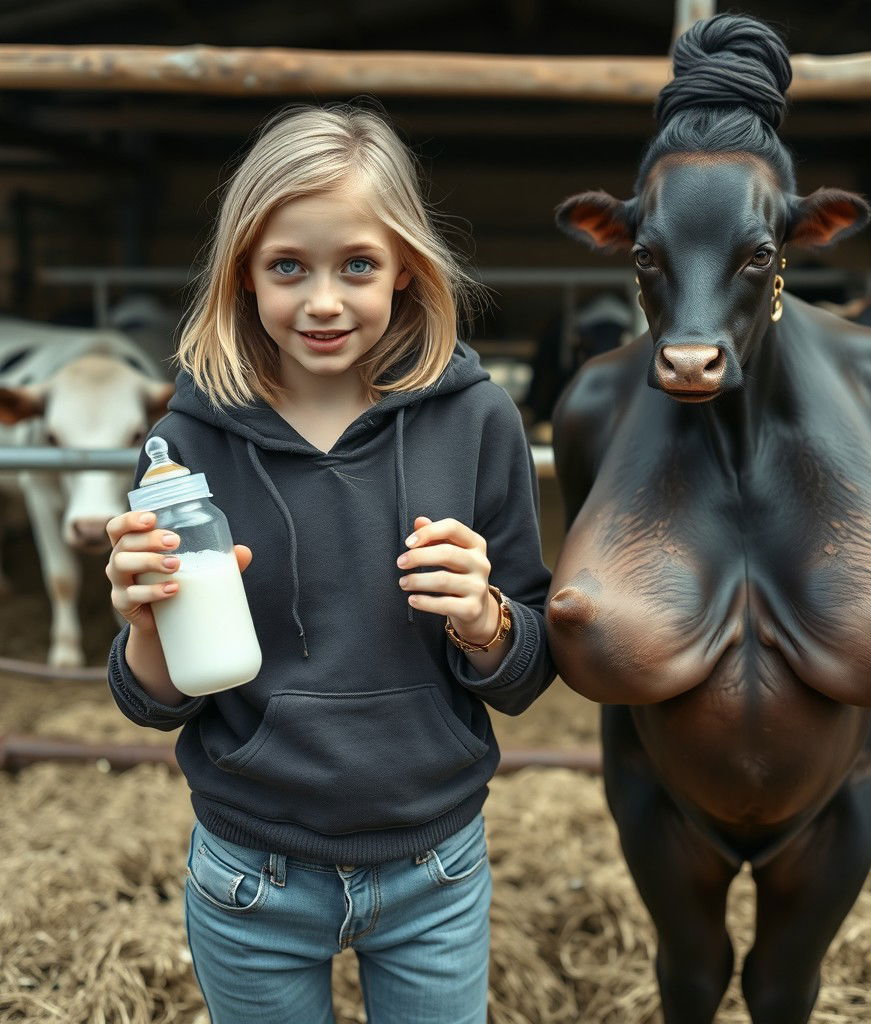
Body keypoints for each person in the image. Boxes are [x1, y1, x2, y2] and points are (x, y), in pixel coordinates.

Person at [104, 104, 554, 1024]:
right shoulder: (183, 447)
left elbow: (530, 668)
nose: (321, 301)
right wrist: (146, 631)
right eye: (287, 268)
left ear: (407, 271)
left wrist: (486, 620)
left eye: (357, 265)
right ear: (244, 275)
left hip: (435, 864)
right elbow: (157, 698)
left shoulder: (475, 421)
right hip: (251, 870)